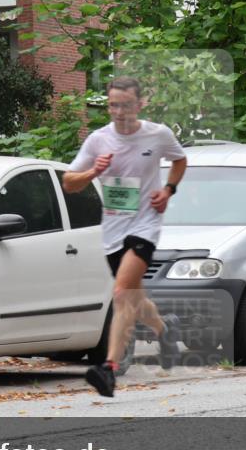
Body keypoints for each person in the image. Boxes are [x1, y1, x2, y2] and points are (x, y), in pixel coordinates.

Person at [62, 77, 188, 397]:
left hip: (145, 224)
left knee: (121, 293)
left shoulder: (158, 134)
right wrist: (93, 172)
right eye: (113, 105)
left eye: (126, 105)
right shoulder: (98, 140)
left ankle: (109, 369)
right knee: (134, 297)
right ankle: (164, 330)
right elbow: (68, 183)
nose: (119, 112)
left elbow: (180, 159)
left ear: (140, 104)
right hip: (112, 229)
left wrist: (168, 190)